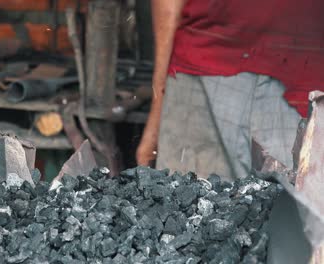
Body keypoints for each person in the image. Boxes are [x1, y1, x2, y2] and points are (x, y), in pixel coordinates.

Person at [136, 0, 324, 180]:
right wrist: (156, 116)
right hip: (205, 73)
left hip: (208, 64)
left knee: (188, 206)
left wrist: (156, 119)